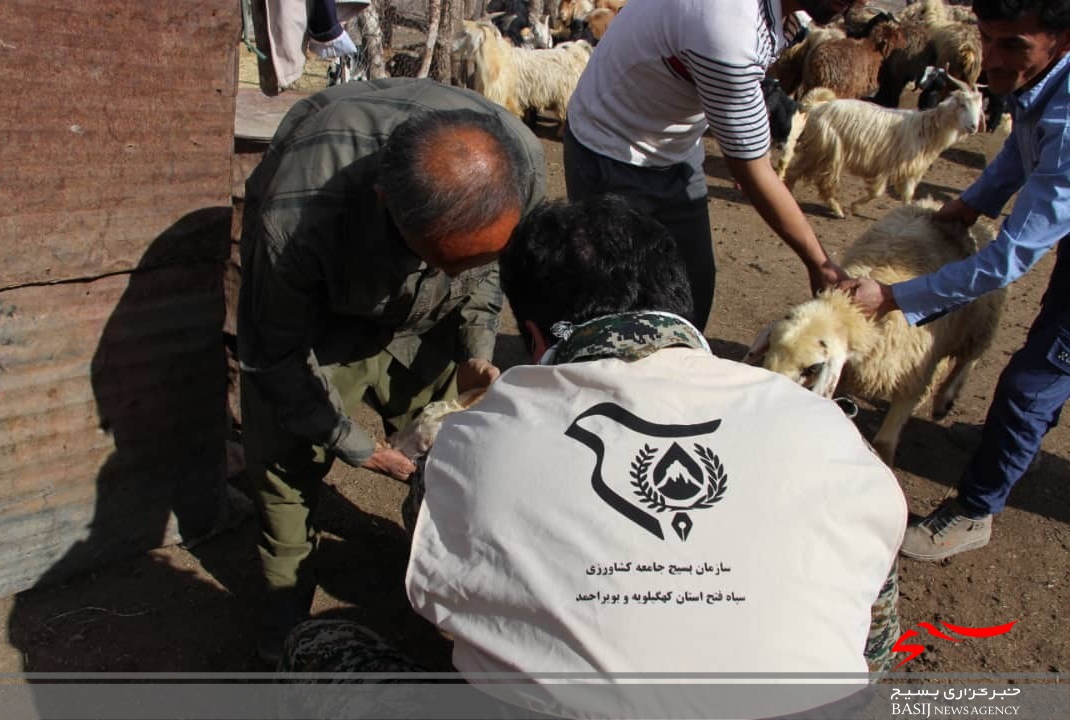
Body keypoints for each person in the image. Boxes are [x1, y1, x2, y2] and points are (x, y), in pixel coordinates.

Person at [396, 195, 905, 717]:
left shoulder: (470, 441)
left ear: (533, 335)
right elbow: (874, 637)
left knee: (328, 642)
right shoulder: (832, 435)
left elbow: (436, 567)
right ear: (678, 297)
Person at [237, 77, 546, 664]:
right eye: (437, 257)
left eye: (470, 259)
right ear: (384, 200)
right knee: (285, 466)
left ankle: (439, 575)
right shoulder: (297, 218)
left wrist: (476, 346)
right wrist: (356, 446)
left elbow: (485, 275)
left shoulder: (521, 163)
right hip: (323, 315)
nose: (460, 270)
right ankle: (285, 632)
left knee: (452, 451)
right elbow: (273, 354)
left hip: (427, 312)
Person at [843, 0, 1070, 561]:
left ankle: (975, 511)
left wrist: (897, 295)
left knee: (1031, 382)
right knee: (1050, 341)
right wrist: (966, 208)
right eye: (988, 40)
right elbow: (1018, 157)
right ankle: (1017, 445)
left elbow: (1007, 259)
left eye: (1012, 45)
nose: (990, 59)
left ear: (1062, 41)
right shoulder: (1042, 83)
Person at [562, 0, 856, 331]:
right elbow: (751, 166)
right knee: (615, 313)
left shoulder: (777, 16)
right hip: (611, 149)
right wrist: (820, 264)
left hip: (674, 144)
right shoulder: (726, 27)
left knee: (690, 293)